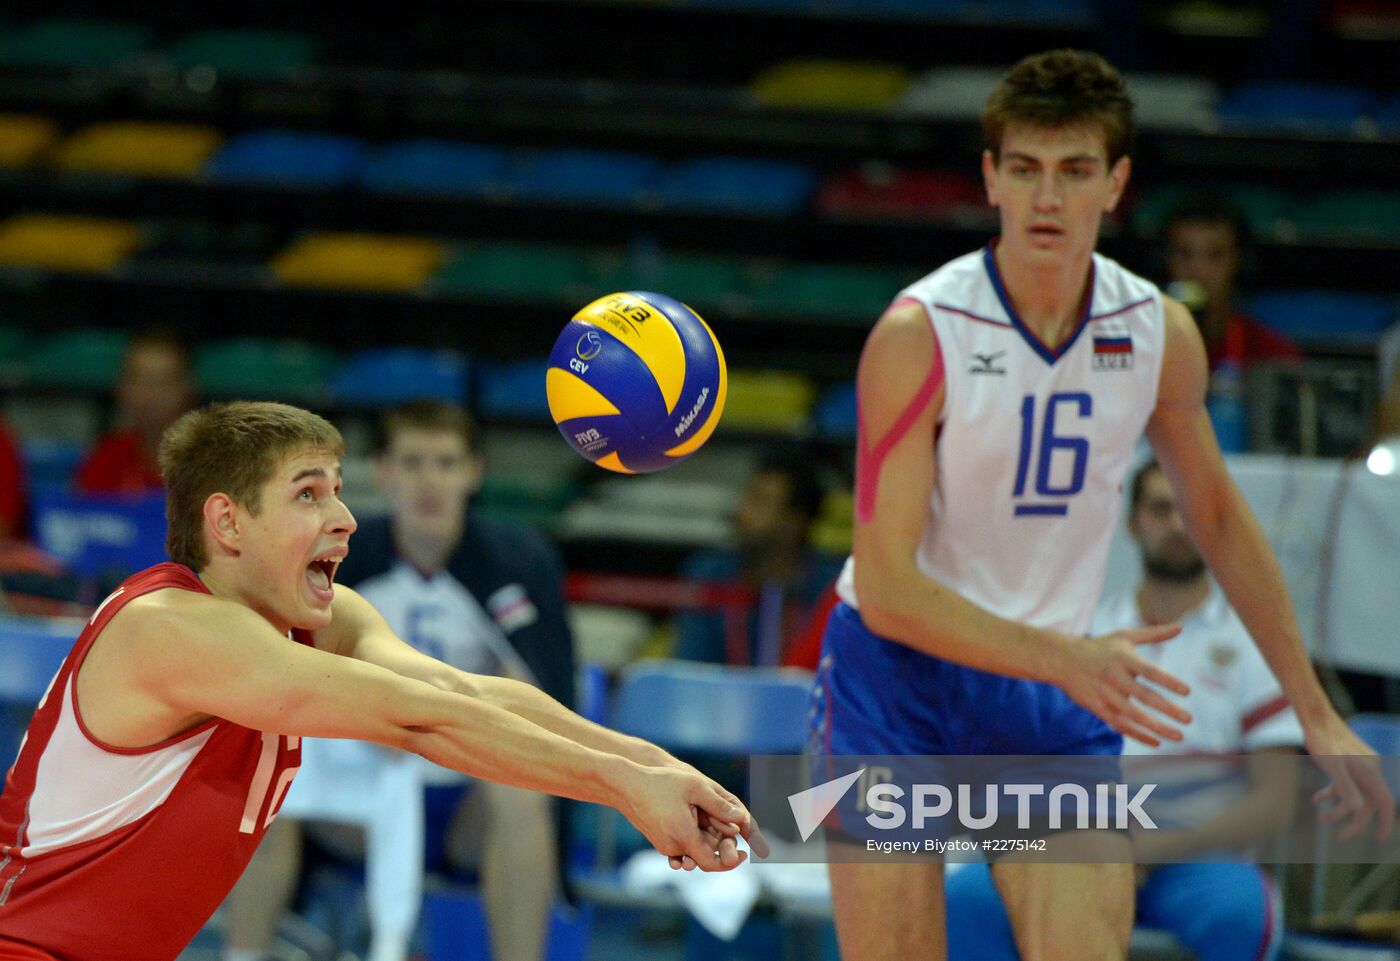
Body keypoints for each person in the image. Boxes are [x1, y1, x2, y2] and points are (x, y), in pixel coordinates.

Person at [809, 49, 1389, 961]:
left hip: (1048, 694)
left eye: (1075, 171)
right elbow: (885, 589)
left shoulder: (1159, 332)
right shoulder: (918, 335)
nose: (1049, 199)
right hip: (896, 679)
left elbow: (1220, 517)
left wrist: (1315, 709)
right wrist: (1066, 658)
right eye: (1028, 170)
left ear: (1114, 185)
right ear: (991, 178)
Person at [0, 401, 761, 961]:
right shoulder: (168, 626)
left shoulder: (320, 613)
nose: (346, 518)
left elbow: (464, 693)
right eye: (308, 494)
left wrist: (652, 763)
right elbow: (416, 721)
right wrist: (621, 787)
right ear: (227, 523)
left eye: (337, 488)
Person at [226, 401, 575, 961]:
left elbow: (544, 697)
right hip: (356, 793)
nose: (429, 482)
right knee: (267, 766)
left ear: (473, 473)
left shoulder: (517, 562)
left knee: (522, 789)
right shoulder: (339, 557)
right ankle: (240, 954)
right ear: (381, 471)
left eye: (445, 463)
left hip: (465, 799)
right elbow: (286, 675)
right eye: (412, 463)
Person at [945, 459, 1305, 961]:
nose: (1179, 525)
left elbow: (1275, 803)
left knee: (1243, 917)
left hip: (1197, 858)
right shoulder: (1081, 635)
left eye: (1191, 512)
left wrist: (1145, 849)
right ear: (1132, 521)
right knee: (967, 899)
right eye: (1161, 508)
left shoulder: (1256, 648)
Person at [674, 447, 843, 667]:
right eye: (747, 496)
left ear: (794, 522)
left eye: (760, 501)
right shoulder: (710, 573)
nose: (742, 511)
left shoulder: (832, 588)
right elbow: (691, 671)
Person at [1161, 192, 1301, 374]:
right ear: (1163, 261)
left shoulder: (1271, 352)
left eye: (1215, 255)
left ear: (1240, 263)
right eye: (1184, 254)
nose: (1198, 271)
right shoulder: (1141, 347)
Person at [75, 328, 197, 495]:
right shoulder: (106, 457)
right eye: (138, 380)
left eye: (162, 382)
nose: (149, 393)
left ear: (187, 388)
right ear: (121, 387)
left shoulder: (213, 463)